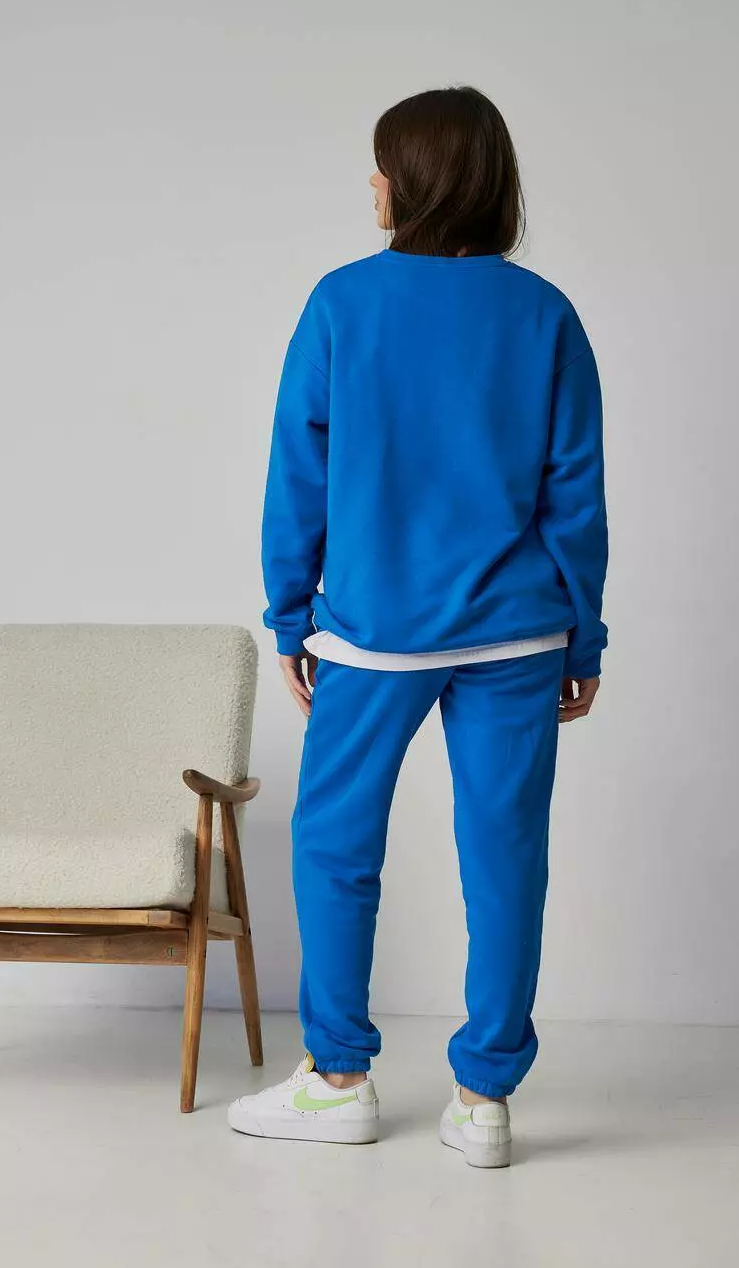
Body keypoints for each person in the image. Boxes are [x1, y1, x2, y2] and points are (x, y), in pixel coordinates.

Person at [227, 86, 608, 1167]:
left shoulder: (342, 302)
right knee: (506, 858)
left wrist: (289, 613)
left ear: (414, 182)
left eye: (383, 166)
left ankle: (338, 1080)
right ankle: (484, 1102)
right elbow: (574, 493)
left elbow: (298, 473)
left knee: (335, 847)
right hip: (517, 634)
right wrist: (583, 636)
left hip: (371, 631)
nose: (372, 183)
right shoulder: (544, 314)